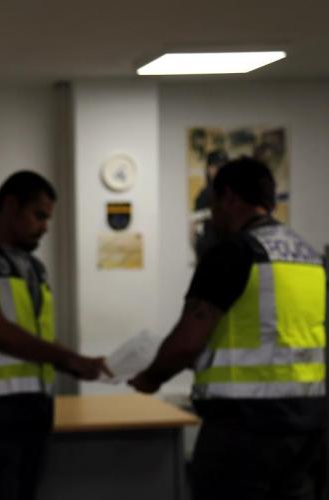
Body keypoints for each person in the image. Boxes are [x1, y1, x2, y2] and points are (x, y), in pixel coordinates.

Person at [130, 157, 327, 500]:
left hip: (245, 429)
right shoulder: (310, 256)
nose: (212, 216)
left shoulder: (234, 252)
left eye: (213, 205)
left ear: (230, 198)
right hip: (308, 427)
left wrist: (150, 378)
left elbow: (186, 342)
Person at [0, 170, 110, 500]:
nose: (45, 227)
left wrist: (77, 365)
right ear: (10, 206)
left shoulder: (34, 268)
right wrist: (70, 359)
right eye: (38, 215)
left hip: (33, 412)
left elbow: (34, 336)